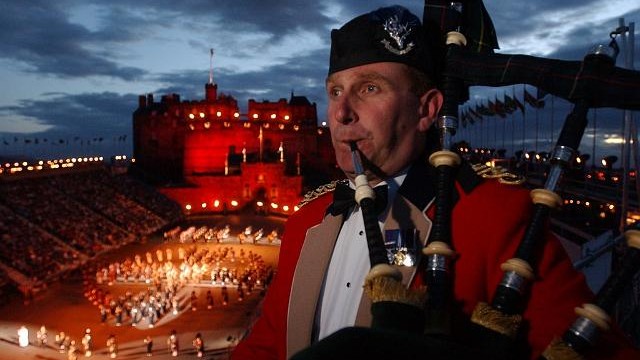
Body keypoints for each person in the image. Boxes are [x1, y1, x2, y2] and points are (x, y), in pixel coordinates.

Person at [232, 5, 639, 360]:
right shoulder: (307, 220)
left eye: (369, 88)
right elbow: (267, 347)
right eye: (335, 91)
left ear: (427, 110)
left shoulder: (494, 219)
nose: (341, 113)